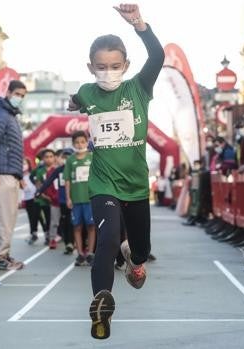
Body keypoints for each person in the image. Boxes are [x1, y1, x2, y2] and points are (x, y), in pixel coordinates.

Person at [68, 4, 164, 339]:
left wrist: (138, 24)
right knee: (106, 241)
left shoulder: (138, 88)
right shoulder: (87, 91)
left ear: (125, 65)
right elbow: (79, 99)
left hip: (136, 185)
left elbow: (158, 55)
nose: (107, 72)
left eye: (114, 66)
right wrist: (74, 102)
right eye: (100, 67)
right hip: (102, 183)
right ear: (90, 67)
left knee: (138, 249)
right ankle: (100, 304)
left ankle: (134, 260)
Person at [0, 80, 27, 270]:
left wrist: (19, 174)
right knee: (4, 217)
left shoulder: (9, 115)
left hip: (10, 172)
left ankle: (4, 254)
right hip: (2, 172)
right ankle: (0, 256)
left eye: (23, 96)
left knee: (9, 217)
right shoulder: (0, 114)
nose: (20, 98)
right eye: (18, 94)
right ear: (8, 92)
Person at [64, 131, 95, 266]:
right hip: (76, 200)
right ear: (73, 144)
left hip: (90, 199)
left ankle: (90, 253)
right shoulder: (70, 159)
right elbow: (67, 180)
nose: (80, 144)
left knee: (91, 226)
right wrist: (68, 198)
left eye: (82, 141)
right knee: (76, 226)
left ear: (87, 141)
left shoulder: (92, 157)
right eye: (77, 142)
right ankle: (80, 254)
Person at [34, 149, 60, 249]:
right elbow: (38, 185)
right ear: (43, 159)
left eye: (51, 156)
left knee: (58, 219)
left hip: (57, 199)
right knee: (49, 219)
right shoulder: (40, 171)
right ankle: (49, 237)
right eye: (46, 157)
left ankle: (60, 236)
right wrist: (46, 197)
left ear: (54, 158)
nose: (49, 159)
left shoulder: (58, 169)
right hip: (44, 200)